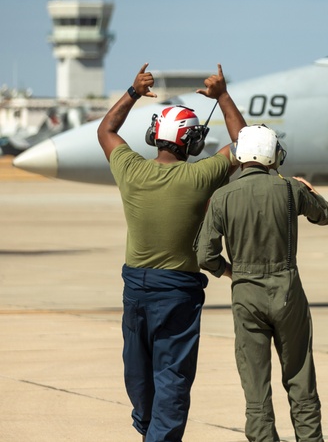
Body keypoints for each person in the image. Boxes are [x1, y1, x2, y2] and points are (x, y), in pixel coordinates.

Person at [97, 63, 246, 442]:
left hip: (135, 287)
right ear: (192, 142)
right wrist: (223, 96)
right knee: (172, 377)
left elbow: (107, 130)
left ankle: (150, 431)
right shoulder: (200, 176)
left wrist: (133, 91)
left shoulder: (131, 170)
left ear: (154, 137)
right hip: (178, 291)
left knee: (138, 371)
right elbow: (246, 143)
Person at [196, 124, 328, 442]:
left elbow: (205, 256)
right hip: (287, 290)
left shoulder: (222, 196)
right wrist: (309, 190)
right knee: (300, 377)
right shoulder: (290, 189)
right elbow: (324, 215)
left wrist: (231, 272)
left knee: (255, 384)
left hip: (245, 292)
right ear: (273, 155)